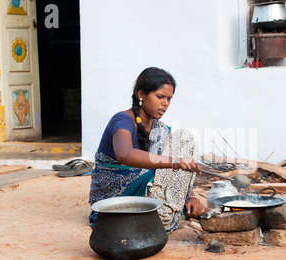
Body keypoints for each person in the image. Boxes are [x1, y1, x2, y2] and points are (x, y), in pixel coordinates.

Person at [89, 67, 208, 233]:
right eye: (160, 97)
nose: (165, 103)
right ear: (141, 95)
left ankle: (164, 212)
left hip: (147, 189)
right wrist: (176, 162)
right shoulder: (122, 121)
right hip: (114, 197)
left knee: (183, 138)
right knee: (168, 159)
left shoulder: (161, 129)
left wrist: (191, 196)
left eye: (169, 99)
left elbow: (170, 173)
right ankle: (161, 215)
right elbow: (125, 154)